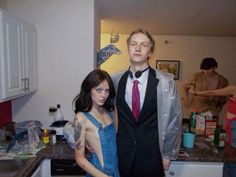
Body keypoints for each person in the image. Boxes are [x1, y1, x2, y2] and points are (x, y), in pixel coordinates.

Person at [112, 29, 182, 177]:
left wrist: (167, 155)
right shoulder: (115, 80)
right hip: (122, 154)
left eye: (143, 45)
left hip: (153, 155)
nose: (137, 48)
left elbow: (174, 120)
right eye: (133, 44)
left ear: (150, 52)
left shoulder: (166, 82)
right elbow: (103, 112)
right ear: (129, 49)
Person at [73, 69, 119, 177]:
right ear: (89, 90)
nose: (104, 95)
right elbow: (79, 159)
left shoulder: (108, 111)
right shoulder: (81, 118)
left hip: (116, 170)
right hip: (99, 173)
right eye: (99, 90)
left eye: (107, 91)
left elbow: (115, 136)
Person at [191, 85, 236, 177]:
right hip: (231, 125)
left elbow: (212, 93)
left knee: (231, 156)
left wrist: (194, 92)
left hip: (233, 126)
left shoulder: (234, 88)